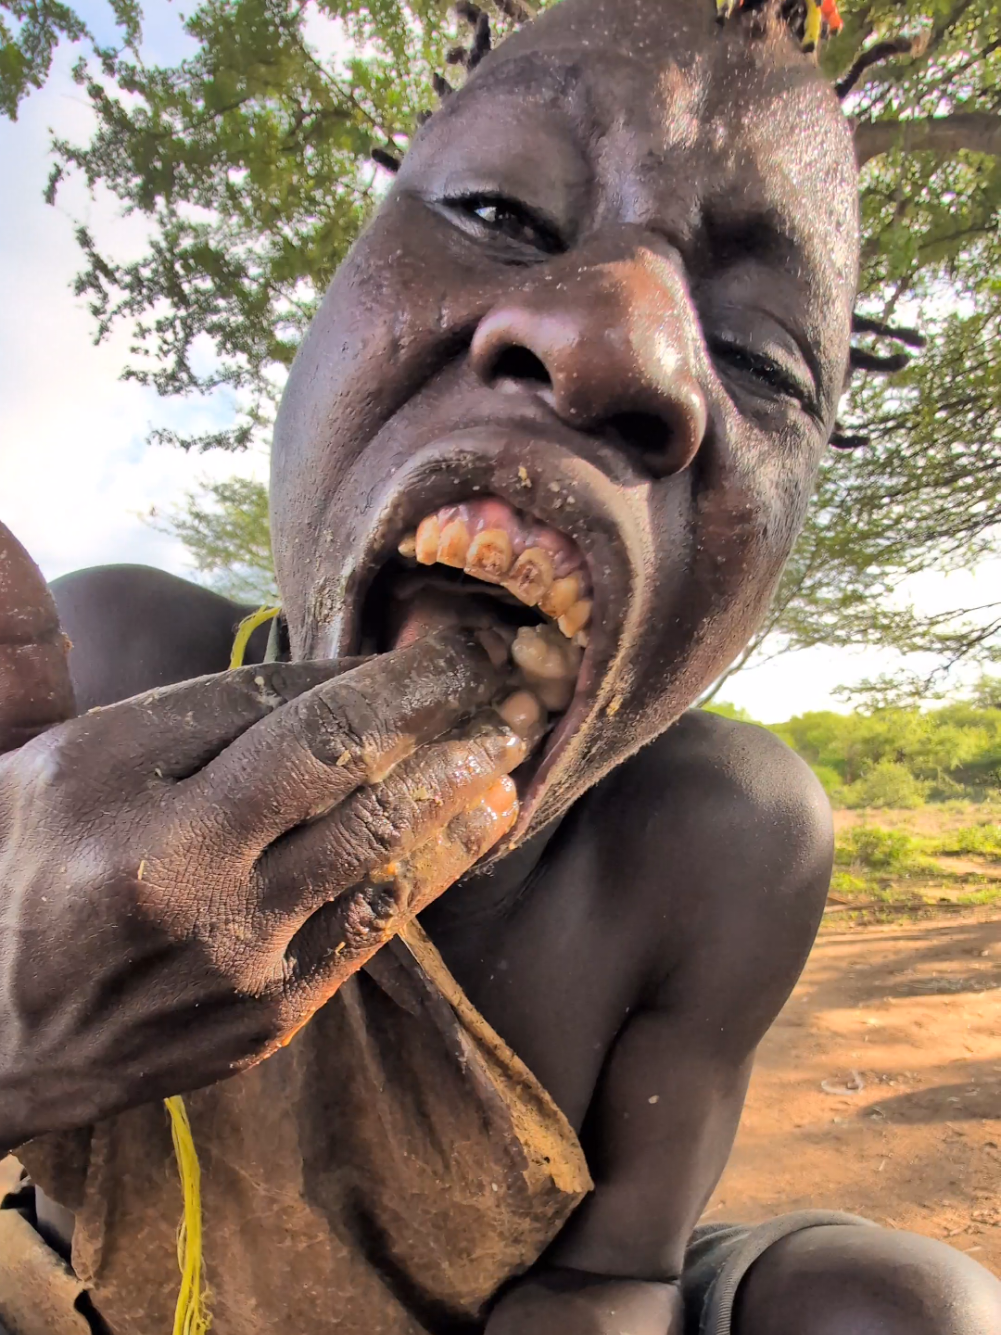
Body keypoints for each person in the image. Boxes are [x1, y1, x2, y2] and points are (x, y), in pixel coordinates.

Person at [1, 1, 999, 1332]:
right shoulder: (111, 667)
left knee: (904, 1310)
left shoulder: (723, 841)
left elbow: (613, 1276)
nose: (621, 343)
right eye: (497, 212)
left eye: (760, 354)